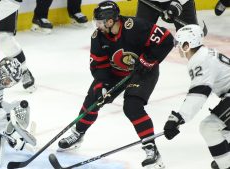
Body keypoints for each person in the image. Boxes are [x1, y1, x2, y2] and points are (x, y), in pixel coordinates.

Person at [57, 1, 174, 168]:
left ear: (110, 21)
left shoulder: (135, 27)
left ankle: (151, 149)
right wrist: (102, 85)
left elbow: (167, 39)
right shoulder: (98, 37)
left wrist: (149, 60)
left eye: (99, 22)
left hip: (142, 72)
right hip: (115, 74)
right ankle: (78, 133)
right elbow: (99, 66)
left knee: (132, 106)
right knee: (94, 99)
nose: (97, 25)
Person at [163, 24, 230, 169]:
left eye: (179, 43)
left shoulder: (200, 59)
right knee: (224, 133)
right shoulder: (205, 54)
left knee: (209, 127)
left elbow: (199, 93)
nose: (177, 47)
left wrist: (178, 118)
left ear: (187, 45)